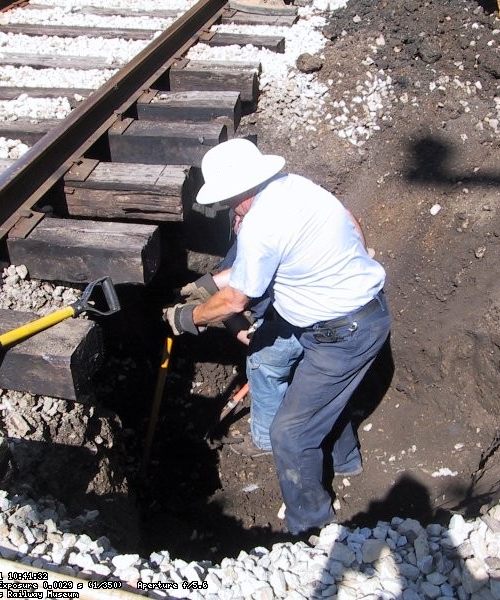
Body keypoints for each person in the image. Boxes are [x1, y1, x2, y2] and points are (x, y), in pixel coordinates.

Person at [164, 138, 391, 535]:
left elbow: (236, 300)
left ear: (236, 193)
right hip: (349, 315)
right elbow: (352, 223)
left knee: (291, 431)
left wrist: (189, 316)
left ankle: (311, 529)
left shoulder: (259, 226)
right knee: (297, 379)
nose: (227, 210)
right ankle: (345, 461)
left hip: (341, 332)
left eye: (226, 201)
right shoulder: (300, 187)